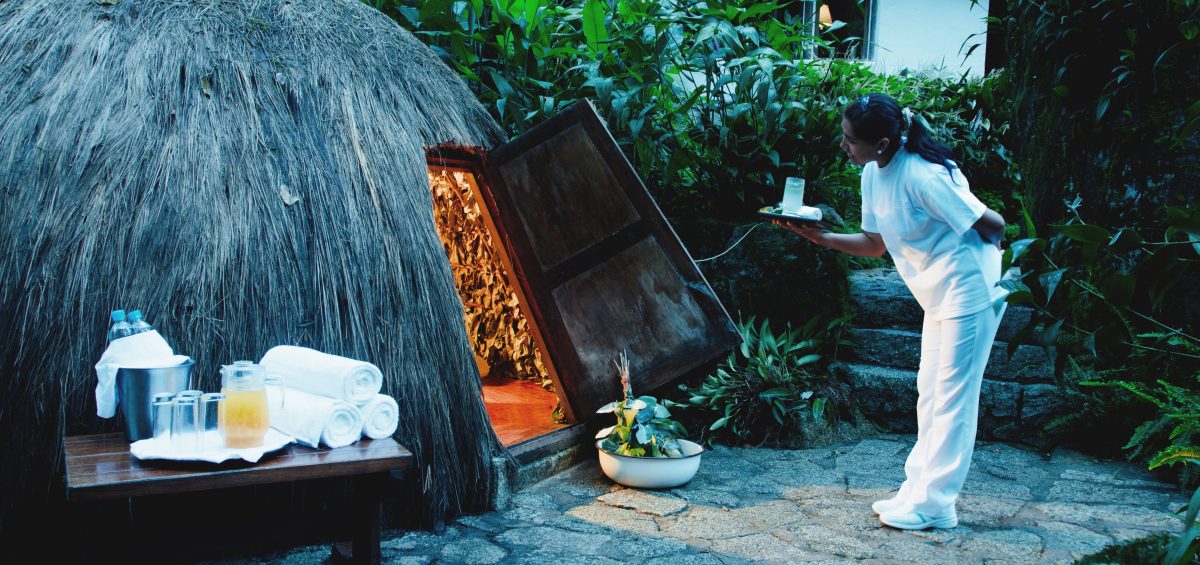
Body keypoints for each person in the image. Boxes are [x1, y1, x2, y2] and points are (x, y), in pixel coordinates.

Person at [775, 93, 1008, 530]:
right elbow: (874, 244)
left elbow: (993, 224)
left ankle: (936, 504)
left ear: (882, 143)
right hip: (936, 293)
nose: (844, 145)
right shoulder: (873, 173)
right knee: (930, 391)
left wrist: (998, 254)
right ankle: (919, 490)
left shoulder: (924, 176)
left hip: (970, 290)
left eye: (850, 139)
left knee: (954, 398)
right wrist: (821, 237)